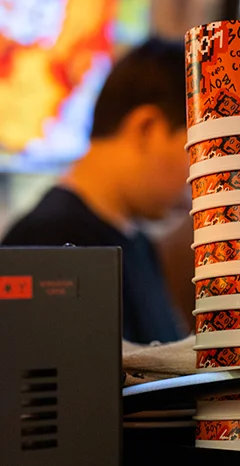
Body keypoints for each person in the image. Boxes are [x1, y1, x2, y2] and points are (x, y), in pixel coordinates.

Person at [2, 38, 189, 344]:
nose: (201, 180)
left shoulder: (138, 242)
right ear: (148, 128)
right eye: (197, 150)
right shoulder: (50, 241)